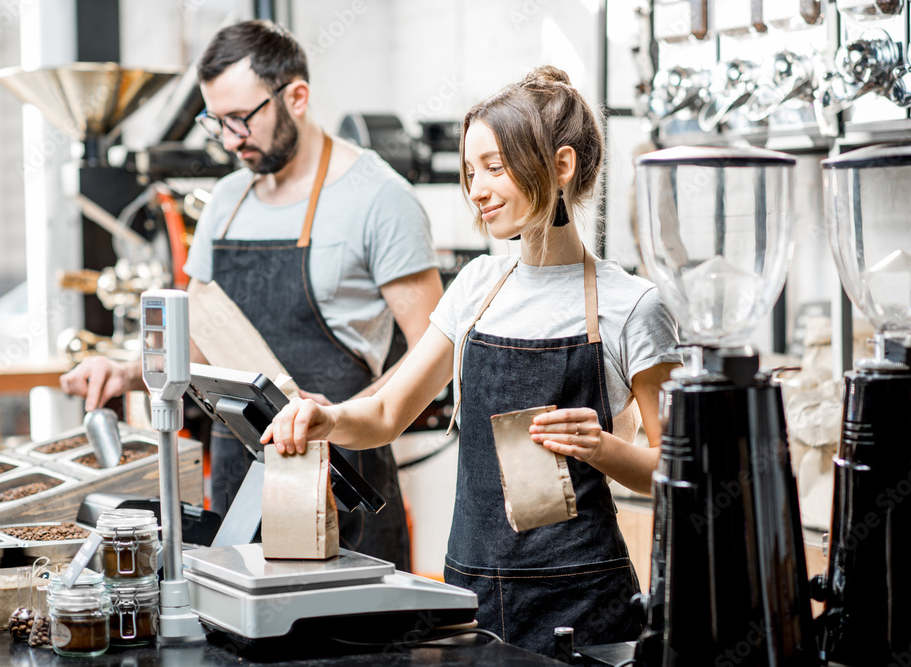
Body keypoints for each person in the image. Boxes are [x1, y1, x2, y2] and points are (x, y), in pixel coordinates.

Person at [262, 65, 680, 657]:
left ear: (561, 167)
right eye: (469, 170)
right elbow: (384, 413)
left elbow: (679, 476)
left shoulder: (632, 307)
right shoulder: (476, 287)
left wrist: (603, 448)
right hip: (469, 590)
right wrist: (330, 419)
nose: (476, 189)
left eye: (494, 167)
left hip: (582, 599)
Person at [59, 20, 443, 571]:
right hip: (241, 475)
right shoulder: (227, 200)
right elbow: (197, 334)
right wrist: (125, 370)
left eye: (241, 118)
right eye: (216, 122)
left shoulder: (379, 199)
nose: (231, 138)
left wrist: (341, 417)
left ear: (297, 97)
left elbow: (433, 353)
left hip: (335, 477)